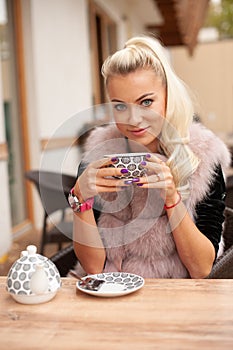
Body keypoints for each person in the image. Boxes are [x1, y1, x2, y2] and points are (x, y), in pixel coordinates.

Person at [69, 35, 230, 279]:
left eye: (146, 102)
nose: (133, 120)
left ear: (168, 96)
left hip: (174, 296)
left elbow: (201, 268)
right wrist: (80, 200)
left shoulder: (203, 155)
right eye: (120, 106)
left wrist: (172, 199)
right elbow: (92, 268)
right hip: (110, 291)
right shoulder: (99, 154)